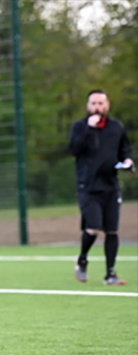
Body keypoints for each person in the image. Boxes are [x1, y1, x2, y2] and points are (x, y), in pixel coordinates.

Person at [69, 89, 133, 286]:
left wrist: (128, 161)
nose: (97, 107)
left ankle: (110, 274)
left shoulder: (116, 127)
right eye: (93, 103)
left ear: (107, 105)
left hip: (111, 187)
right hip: (88, 186)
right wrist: (89, 129)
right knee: (93, 227)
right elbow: (73, 149)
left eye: (101, 103)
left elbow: (125, 149)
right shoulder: (80, 126)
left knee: (112, 230)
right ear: (88, 106)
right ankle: (82, 259)